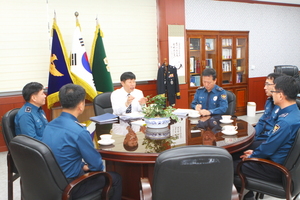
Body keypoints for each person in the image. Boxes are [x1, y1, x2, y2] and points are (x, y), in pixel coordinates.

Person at [42, 84, 122, 200]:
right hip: (70, 186)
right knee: (115, 178)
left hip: (51, 181)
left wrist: (81, 166)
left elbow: (61, 153)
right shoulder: (79, 131)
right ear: (81, 105)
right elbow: (97, 166)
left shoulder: (50, 125)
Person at [234, 76, 300, 200]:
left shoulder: (285, 122)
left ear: (281, 95)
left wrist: (252, 156)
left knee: (229, 165)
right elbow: (271, 144)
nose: (271, 94)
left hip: (275, 169)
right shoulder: (295, 114)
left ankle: (246, 197)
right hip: (285, 165)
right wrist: (255, 153)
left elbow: (269, 148)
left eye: (274, 91)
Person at [252, 73, 282, 146]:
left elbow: (275, 133)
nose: (264, 88)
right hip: (262, 136)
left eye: (267, 84)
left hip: (269, 140)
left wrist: (255, 139)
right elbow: (262, 121)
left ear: (276, 86)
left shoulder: (282, 105)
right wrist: (253, 135)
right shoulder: (269, 101)